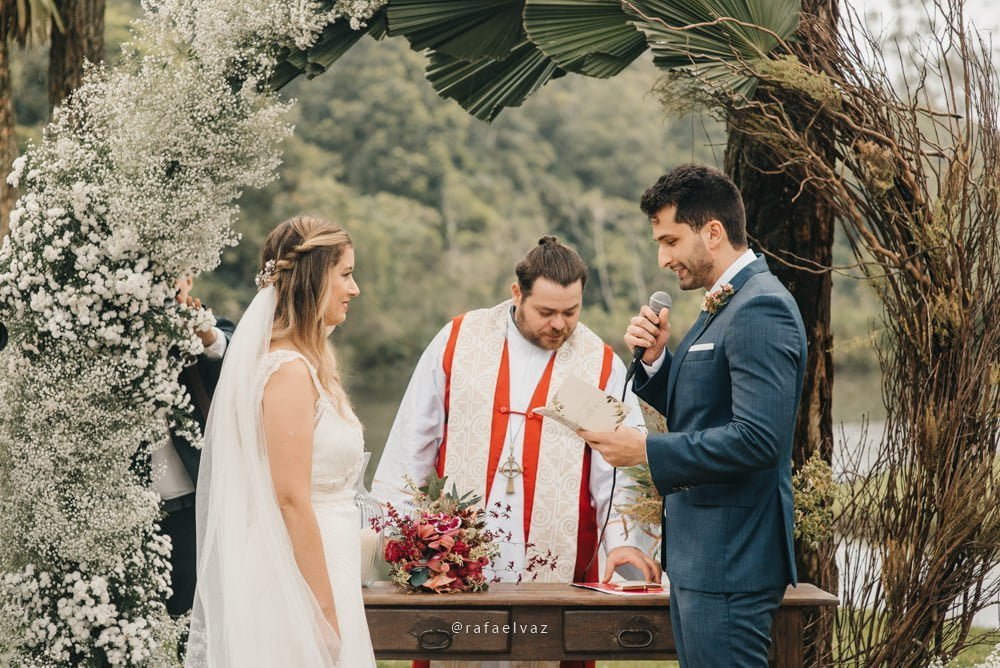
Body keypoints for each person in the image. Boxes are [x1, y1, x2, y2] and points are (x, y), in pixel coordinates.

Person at [373, 236, 659, 668]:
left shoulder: (599, 364)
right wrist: (398, 537)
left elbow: (615, 473)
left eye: (571, 312)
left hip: (555, 559)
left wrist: (621, 543)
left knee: (543, 647)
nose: (560, 325)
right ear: (516, 294)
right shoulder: (458, 340)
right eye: (546, 312)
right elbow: (412, 443)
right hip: (461, 551)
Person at [580, 164, 807, 667]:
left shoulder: (759, 307)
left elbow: (758, 439)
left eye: (670, 241)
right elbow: (705, 410)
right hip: (702, 559)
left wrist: (646, 450)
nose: (662, 259)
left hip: (732, 561)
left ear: (713, 231)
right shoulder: (723, 305)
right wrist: (658, 361)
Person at [186, 216, 375, 667]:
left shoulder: (309, 363)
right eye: (345, 275)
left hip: (331, 559)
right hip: (299, 574)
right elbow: (290, 498)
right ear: (313, 279)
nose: (355, 289)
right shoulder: (287, 372)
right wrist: (323, 610)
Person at [153, 276, 235, 618]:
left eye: (180, 275)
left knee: (193, 622)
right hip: (122, 516)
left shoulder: (200, 325)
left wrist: (200, 328)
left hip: (190, 511)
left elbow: (226, 348)